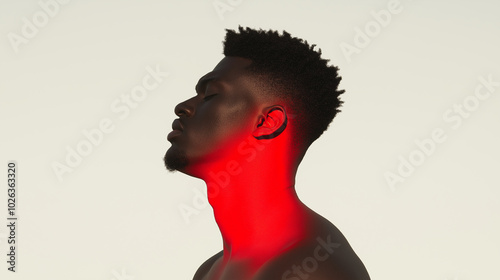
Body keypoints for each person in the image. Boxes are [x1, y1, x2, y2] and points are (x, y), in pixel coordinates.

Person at [164, 26, 370, 280]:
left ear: (267, 122)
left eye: (211, 95)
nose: (182, 107)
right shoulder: (210, 270)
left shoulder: (313, 268)